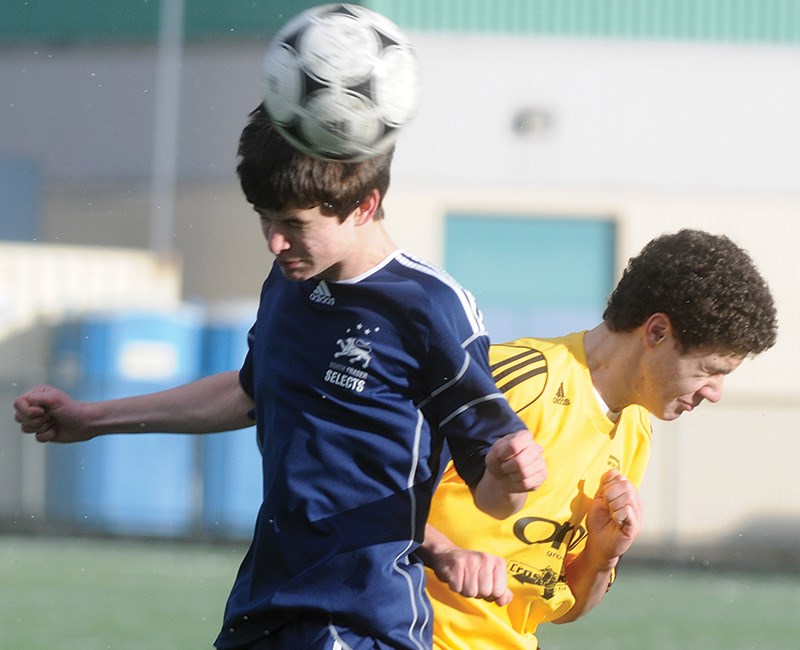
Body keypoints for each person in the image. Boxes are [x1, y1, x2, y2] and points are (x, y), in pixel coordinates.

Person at [13, 104, 547, 650]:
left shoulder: (430, 309)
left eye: (294, 224)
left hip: (359, 618)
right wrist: (92, 418)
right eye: (265, 218)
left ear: (364, 205)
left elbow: (495, 495)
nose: (274, 241)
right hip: (263, 604)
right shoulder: (291, 278)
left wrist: (506, 479)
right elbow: (250, 391)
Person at [418, 228, 778, 650]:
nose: (714, 392)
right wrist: (444, 552)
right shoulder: (512, 380)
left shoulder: (635, 433)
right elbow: (354, 493)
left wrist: (602, 556)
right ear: (657, 332)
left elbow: (563, 608)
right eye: (709, 370)